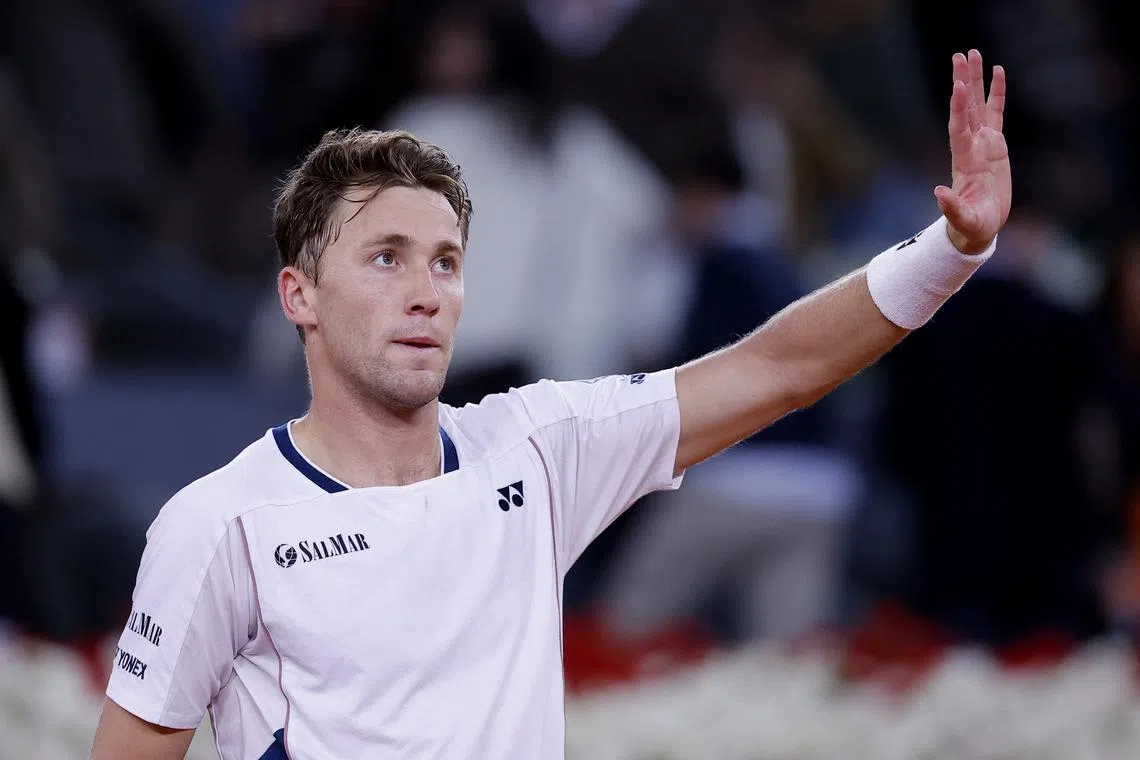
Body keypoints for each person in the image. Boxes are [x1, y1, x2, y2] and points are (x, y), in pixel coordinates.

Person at [89, 50, 1010, 759]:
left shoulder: (534, 449)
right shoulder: (219, 526)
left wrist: (950, 251)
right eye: (385, 258)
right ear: (299, 296)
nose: (426, 291)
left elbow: (774, 370)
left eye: (445, 262)